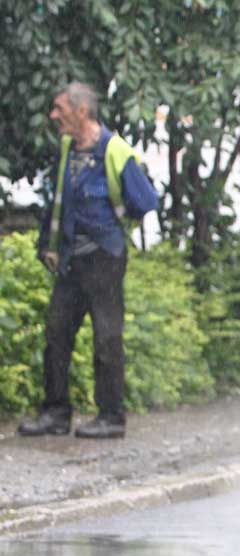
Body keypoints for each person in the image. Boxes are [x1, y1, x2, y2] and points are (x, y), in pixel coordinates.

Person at [18, 82, 159, 440]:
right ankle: (55, 414)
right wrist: (48, 244)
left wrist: (113, 224)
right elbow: (58, 201)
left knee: (107, 338)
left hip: (104, 259)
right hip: (70, 260)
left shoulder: (114, 149)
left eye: (60, 109)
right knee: (57, 333)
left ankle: (111, 418)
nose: (54, 116)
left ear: (82, 112)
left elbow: (145, 200)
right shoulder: (68, 147)